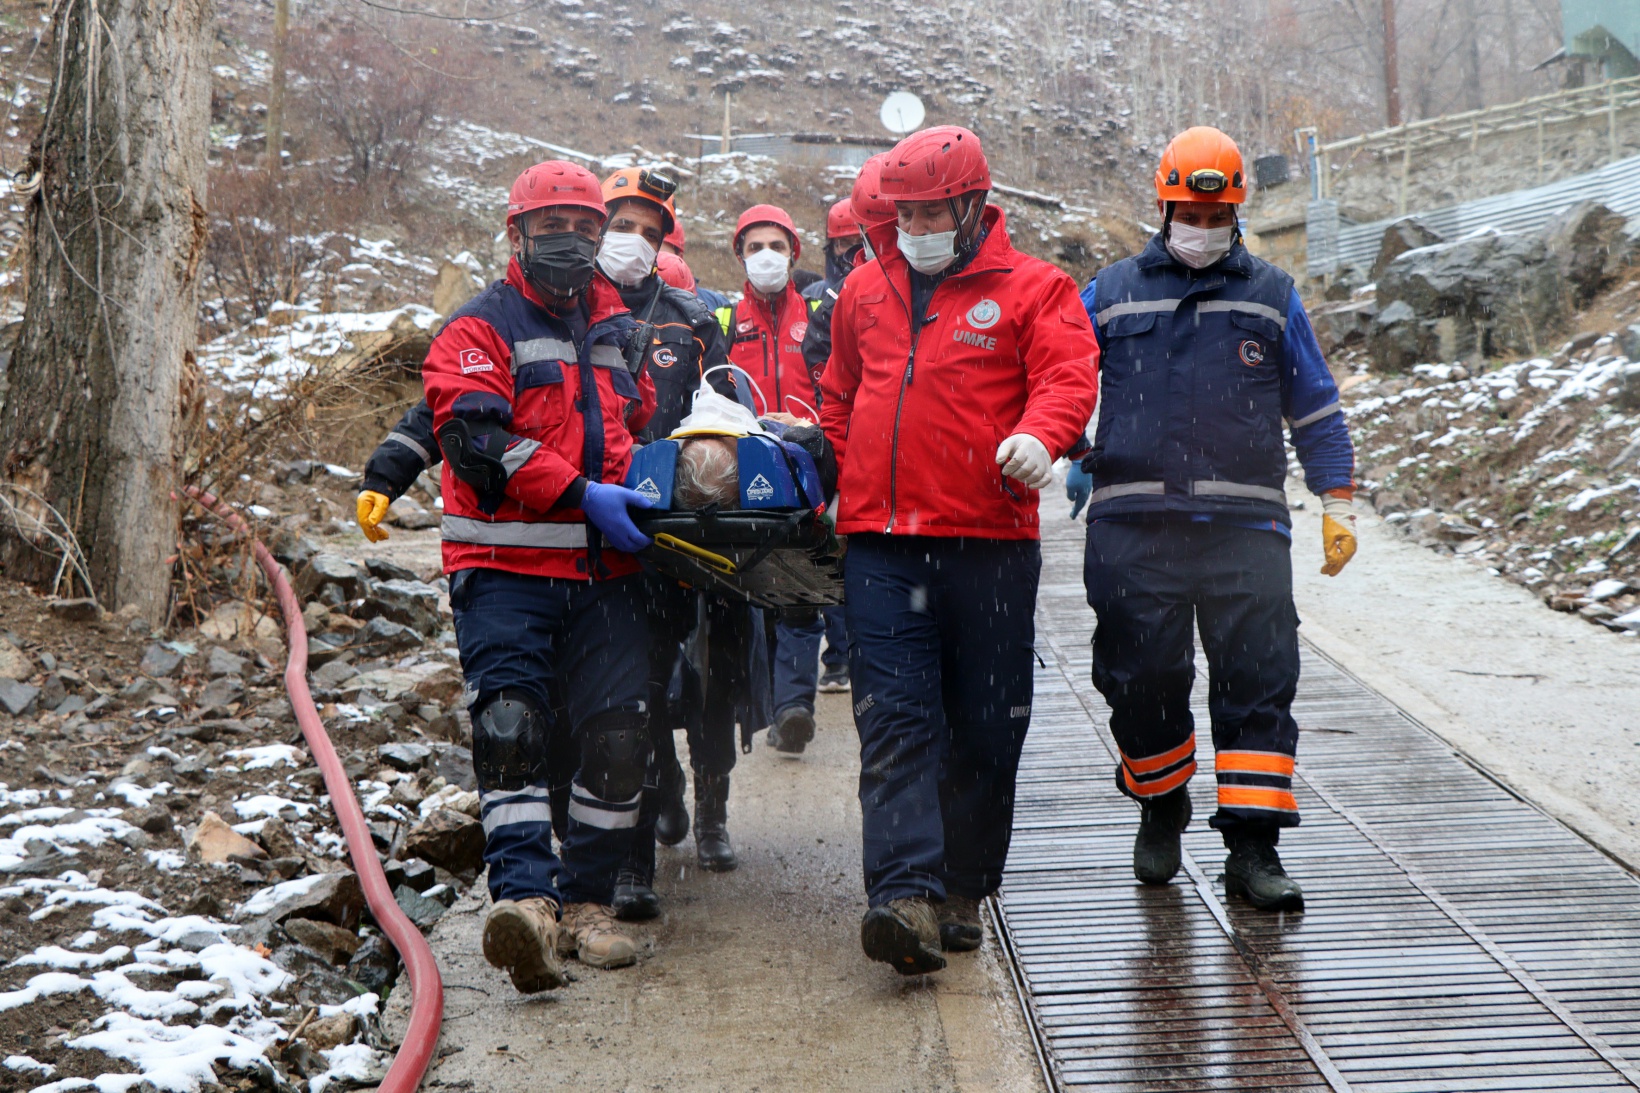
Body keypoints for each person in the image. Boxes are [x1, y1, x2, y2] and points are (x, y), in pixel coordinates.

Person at [820, 126, 1100, 974]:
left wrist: (1041, 438)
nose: (917, 225)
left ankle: (963, 886)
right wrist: (846, 470)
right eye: (905, 212)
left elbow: (1068, 377)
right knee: (897, 721)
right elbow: (837, 394)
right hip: (883, 549)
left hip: (989, 546)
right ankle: (901, 894)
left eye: (934, 209)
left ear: (975, 204)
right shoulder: (864, 291)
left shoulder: (1036, 288)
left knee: (985, 725)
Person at [1068, 126, 1357, 913]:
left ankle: (1254, 848)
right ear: (1164, 204)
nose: (1202, 229)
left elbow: (1318, 409)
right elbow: (1058, 376)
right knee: (1140, 678)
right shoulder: (1112, 289)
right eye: (1189, 214)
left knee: (1259, 683)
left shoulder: (1271, 294)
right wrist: (1063, 443)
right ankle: (1161, 801)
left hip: (1246, 529)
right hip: (1133, 522)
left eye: (1217, 214)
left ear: (1236, 209)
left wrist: (1336, 499)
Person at [422, 159, 661, 995]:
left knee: (621, 740)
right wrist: (580, 491)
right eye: (551, 229)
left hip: (609, 571)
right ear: (516, 234)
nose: (571, 244)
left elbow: (632, 429)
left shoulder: (617, 326)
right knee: (513, 730)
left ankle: (588, 900)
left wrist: (651, 490)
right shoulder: (474, 332)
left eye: (585, 230)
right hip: (505, 568)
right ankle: (526, 900)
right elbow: (479, 444)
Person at [594, 167, 765, 897]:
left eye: (648, 230)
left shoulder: (693, 317)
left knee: (718, 671)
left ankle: (714, 803)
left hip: (696, 520)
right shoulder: (574, 312)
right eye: (621, 225)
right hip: (617, 524)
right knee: (638, 685)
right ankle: (641, 835)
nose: (634, 242)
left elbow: (722, 411)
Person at [713, 204, 830, 755]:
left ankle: (793, 709)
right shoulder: (721, 323)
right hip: (745, 472)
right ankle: (763, 704)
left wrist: (816, 429)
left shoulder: (822, 315)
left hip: (811, 470)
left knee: (802, 594)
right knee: (756, 598)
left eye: (776, 246)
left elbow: (843, 387)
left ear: (794, 253)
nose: (766, 256)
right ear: (739, 255)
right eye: (754, 246)